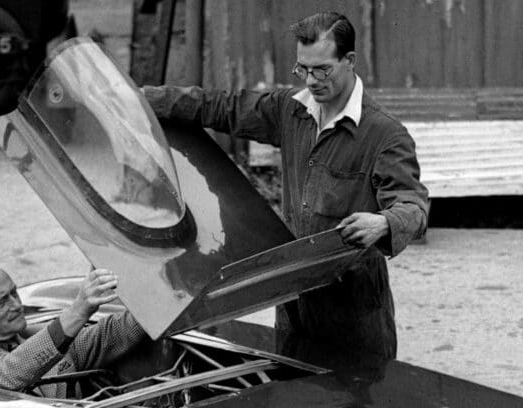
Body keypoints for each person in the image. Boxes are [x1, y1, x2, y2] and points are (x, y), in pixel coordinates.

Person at [141, 11, 429, 366]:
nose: (311, 80)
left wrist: (383, 223)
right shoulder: (289, 110)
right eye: (302, 69)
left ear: (350, 61)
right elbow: (219, 107)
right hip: (293, 305)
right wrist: (140, 99)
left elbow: (413, 206)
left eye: (322, 69)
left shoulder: (385, 135)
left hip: (354, 315)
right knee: (292, 406)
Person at [0, 263, 149, 399]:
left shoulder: (35, 336)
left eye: (14, 293)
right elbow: (6, 373)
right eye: (1, 301)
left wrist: (156, 300)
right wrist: (78, 310)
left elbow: (108, 336)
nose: (16, 305)